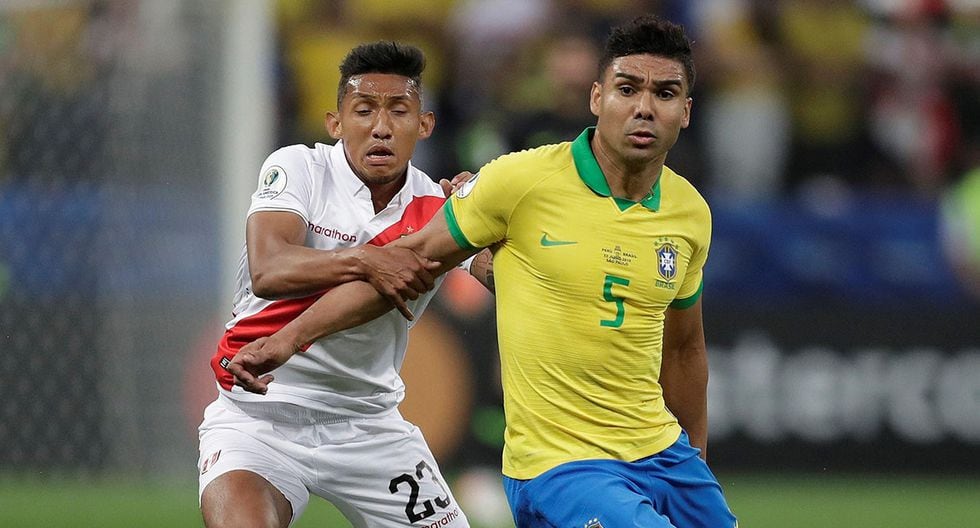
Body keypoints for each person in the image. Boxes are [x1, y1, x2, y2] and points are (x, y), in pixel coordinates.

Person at [229, 16, 737, 527]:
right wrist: (289, 338)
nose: (644, 108)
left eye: (664, 94)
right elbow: (400, 268)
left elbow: (683, 349)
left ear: (686, 111)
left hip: (659, 452)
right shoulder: (516, 179)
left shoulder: (690, 212)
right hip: (563, 463)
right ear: (597, 97)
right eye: (627, 90)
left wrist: (692, 464)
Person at [198, 41, 484, 528]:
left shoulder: (439, 207)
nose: (381, 127)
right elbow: (269, 269)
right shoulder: (299, 168)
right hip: (258, 417)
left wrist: (495, 215)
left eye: (399, 111)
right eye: (364, 110)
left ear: (424, 125)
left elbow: (497, 274)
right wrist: (368, 259)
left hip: (368, 427)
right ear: (335, 123)